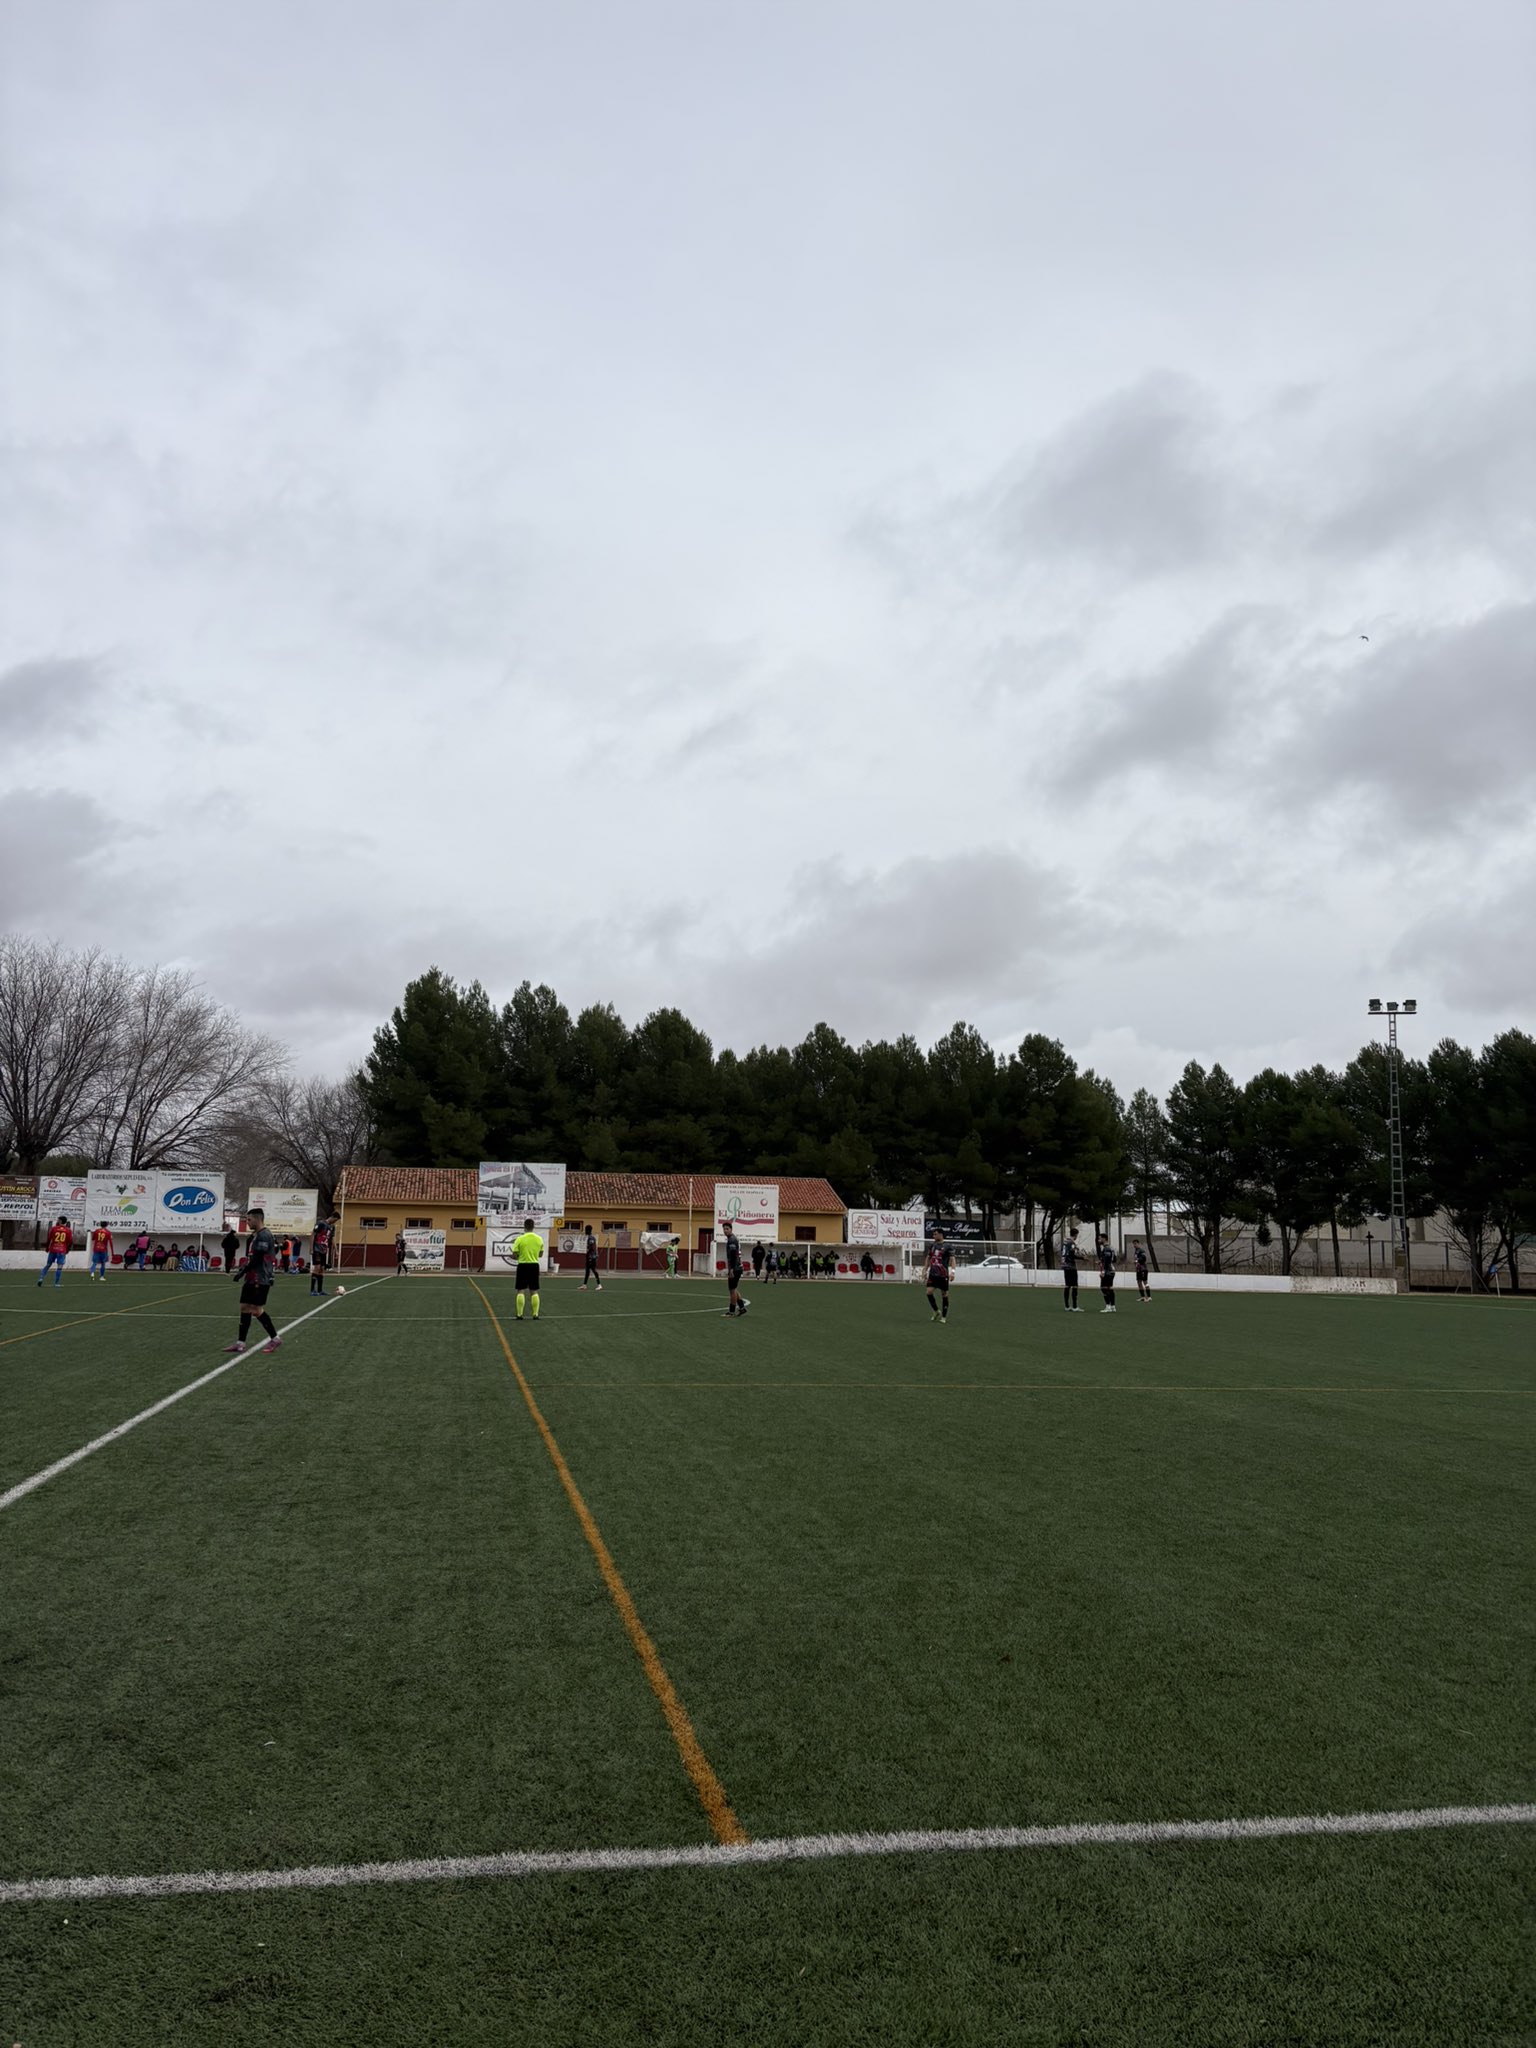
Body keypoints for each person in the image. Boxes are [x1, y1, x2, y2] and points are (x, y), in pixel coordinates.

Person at [225, 1205, 282, 1354]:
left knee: (256, 1310)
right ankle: (240, 1343)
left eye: (249, 1219)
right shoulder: (257, 1235)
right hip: (252, 1277)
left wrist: (243, 1271)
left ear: (257, 1219)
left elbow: (258, 1258)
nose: (248, 1222)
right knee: (244, 1307)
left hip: (259, 1278)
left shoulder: (264, 1235)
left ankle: (275, 1338)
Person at [511, 1217, 545, 1320]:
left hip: (523, 1265)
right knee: (534, 1290)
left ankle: (519, 1314)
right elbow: (541, 1254)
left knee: (520, 1290)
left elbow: (514, 1254)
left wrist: (519, 1256)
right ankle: (535, 1314)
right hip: (534, 1265)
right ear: (533, 1227)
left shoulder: (519, 1239)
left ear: (524, 1227)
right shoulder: (539, 1239)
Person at [38, 1214, 74, 1287]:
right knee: (59, 1267)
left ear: (60, 1221)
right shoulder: (68, 1230)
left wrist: (47, 1248)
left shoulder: (54, 1229)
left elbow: (49, 1239)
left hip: (53, 1249)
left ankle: (41, 1278)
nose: (57, 1221)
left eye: (58, 1220)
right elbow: (70, 1242)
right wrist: (67, 1250)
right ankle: (56, 1283)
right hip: (61, 1250)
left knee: (48, 1265)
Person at [924, 1230, 952, 1323]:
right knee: (929, 1292)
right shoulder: (932, 1245)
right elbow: (928, 1257)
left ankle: (944, 1317)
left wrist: (953, 1272)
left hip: (943, 1274)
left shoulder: (948, 1246)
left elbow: (953, 1259)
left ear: (941, 1235)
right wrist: (925, 1269)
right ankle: (936, 1311)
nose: (933, 1236)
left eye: (935, 1234)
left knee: (944, 1294)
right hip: (933, 1274)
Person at [721, 1221, 748, 1317]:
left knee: (732, 1290)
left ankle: (731, 1312)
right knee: (734, 1289)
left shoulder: (732, 1240)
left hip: (735, 1268)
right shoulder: (733, 1239)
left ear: (731, 1229)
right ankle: (742, 1308)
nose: (725, 1231)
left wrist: (731, 1269)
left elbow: (733, 1255)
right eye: (724, 1229)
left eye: (727, 1229)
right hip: (738, 1267)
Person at [309, 1215, 334, 1296]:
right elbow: (313, 1234)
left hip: (324, 1250)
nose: (334, 1222)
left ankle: (320, 1290)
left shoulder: (331, 1227)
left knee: (322, 1269)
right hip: (317, 1249)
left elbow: (331, 1239)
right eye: (335, 1220)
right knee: (317, 1267)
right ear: (333, 1217)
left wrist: (335, 1250)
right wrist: (311, 1248)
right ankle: (312, 1290)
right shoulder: (321, 1223)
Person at [1097, 1236, 1117, 1314]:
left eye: (1100, 1239)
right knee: (1110, 1288)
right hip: (1111, 1270)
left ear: (1104, 1239)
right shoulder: (1111, 1248)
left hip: (1108, 1271)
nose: (1099, 1240)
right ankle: (1113, 1306)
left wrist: (1103, 1272)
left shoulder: (1106, 1249)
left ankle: (1108, 1306)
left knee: (1103, 1288)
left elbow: (1107, 1261)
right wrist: (1101, 1261)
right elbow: (1114, 1259)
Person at [1062, 1228, 1081, 1311]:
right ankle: (1075, 1306)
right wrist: (1082, 1258)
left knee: (1067, 1285)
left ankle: (1066, 1306)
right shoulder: (1072, 1243)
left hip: (1065, 1265)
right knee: (1075, 1285)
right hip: (1071, 1266)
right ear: (1076, 1235)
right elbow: (1072, 1255)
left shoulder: (1065, 1242)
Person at [580, 1227, 602, 1292]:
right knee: (587, 1271)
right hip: (589, 1256)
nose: (585, 1231)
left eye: (586, 1230)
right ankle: (584, 1285)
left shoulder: (591, 1238)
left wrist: (591, 1256)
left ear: (588, 1231)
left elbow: (592, 1247)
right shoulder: (589, 1238)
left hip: (591, 1257)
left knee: (594, 1270)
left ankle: (599, 1285)